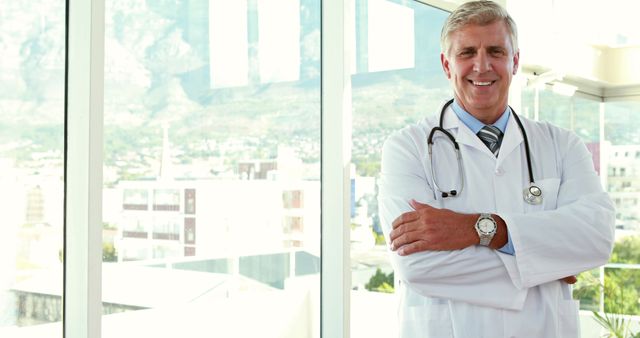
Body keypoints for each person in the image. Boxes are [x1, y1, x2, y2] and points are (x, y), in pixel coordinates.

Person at [377, 1, 615, 337]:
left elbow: (596, 236)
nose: (482, 65)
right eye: (467, 53)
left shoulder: (562, 145)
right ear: (447, 65)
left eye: (496, 51)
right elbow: (417, 265)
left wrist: (481, 229)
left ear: (515, 61)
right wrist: (545, 259)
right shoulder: (408, 148)